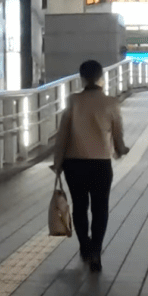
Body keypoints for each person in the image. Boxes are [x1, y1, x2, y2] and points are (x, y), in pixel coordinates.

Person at [52, 60, 129, 274]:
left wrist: (57, 163)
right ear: (100, 76)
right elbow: (117, 134)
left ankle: (84, 246)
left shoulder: (73, 101)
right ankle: (96, 250)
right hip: (100, 164)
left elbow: (62, 135)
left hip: (73, 163)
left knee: (79, 205)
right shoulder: (111, 103)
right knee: (100, 207)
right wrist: (121, 149)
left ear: (82, 77)